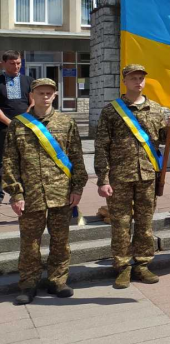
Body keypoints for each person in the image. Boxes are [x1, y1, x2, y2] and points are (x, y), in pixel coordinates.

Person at [3, 79, 88, 304]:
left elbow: (77, 158)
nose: (45, 97)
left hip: (61, 193)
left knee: (60, 240)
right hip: (30, 195)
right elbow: (10, 161)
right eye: (41, 93)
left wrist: (77, 188)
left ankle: (57, 280)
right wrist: (16, 193)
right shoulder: (18, 125)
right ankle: (29, 283)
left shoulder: (66, 122)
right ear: (32, 95)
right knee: (30, 242)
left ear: (56, 94)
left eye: (49, 93)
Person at [95, 64, 170, 289]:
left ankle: (142, 264)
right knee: (120, 224)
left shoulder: (156, 110)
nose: (138, 82)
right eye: (133, 78)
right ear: (125, 81)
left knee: (144, 223)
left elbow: (162, 140)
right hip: (120, 176)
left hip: (148, 175)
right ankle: (122, 267)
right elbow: (102, 146)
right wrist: (102, 179)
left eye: (141, 78)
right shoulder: (111, 111)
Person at [1, 51, 34, 203]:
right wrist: (10, 123)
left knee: (25, 161)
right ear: (3, 63)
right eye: (12, 63)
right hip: (2, 129)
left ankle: (22, 195)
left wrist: (23, 120)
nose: (16, 66)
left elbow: (33, 103)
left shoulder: (28, 81)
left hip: (25, 127)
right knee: (2, 162)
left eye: (19, 63)